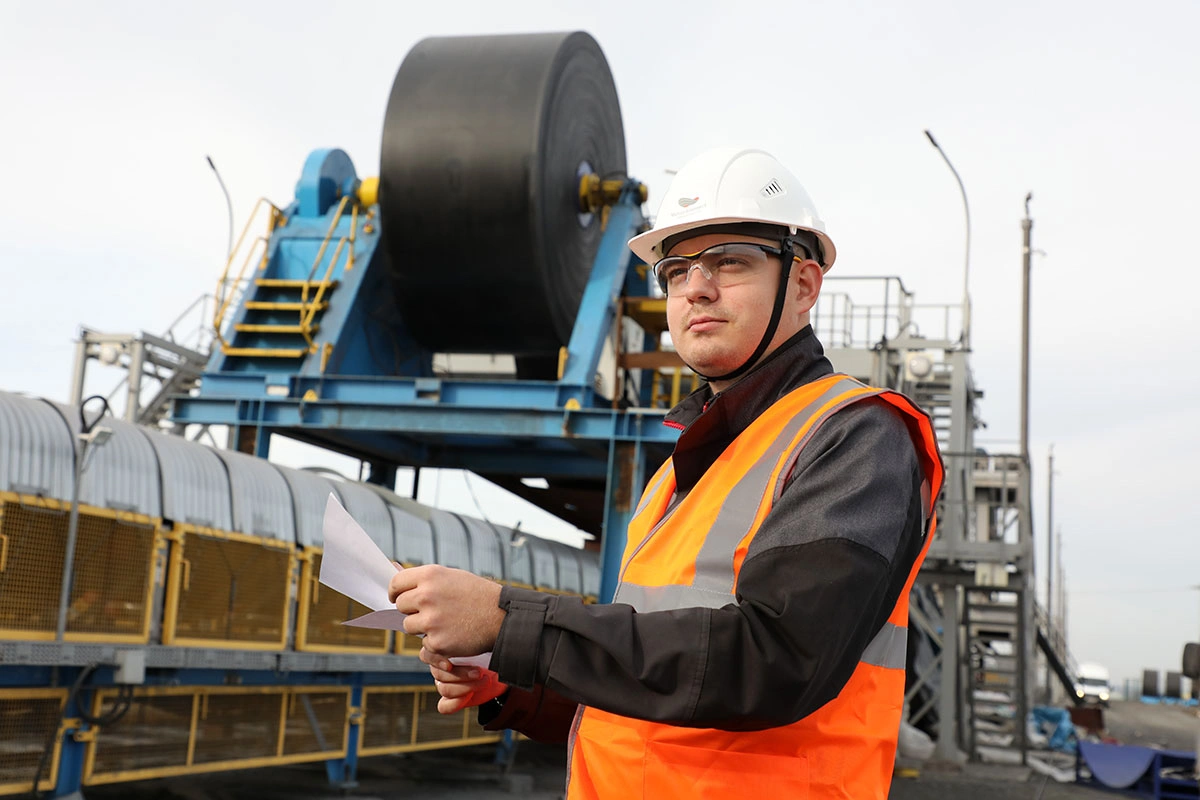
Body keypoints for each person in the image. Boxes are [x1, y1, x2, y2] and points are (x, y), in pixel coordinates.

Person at [389, 146, 945, 799]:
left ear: (803, 285)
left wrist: (512, 621)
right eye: (676, 271)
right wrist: (512, 683)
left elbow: (776, 659)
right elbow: (658, 688)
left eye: (730, 261)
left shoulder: (855, 434)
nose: (696, 288)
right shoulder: (680, 474)